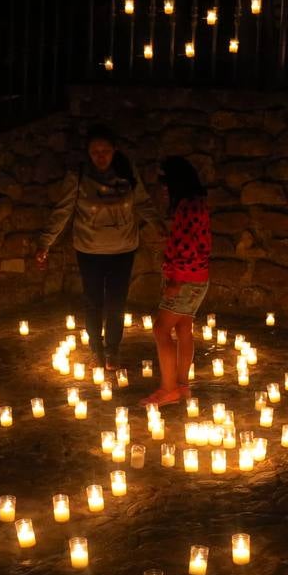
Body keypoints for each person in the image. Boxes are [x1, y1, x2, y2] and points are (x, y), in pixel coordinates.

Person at [35, 125, 161, 371]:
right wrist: (45, 242)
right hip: (90, 250)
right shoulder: (79, 175)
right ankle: (96, 349)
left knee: (116, 302)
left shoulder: (127, 171)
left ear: (114, 150)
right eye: (95, 151)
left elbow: (142, 202)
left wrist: (159, 225)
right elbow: (63, 210)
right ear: (88, 153)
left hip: (122, 250)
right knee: (93, 302)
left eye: (105, 150)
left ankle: (112, 350)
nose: (100, 156)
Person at [140, 156, 210, 407]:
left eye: (166, 183)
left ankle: (169, 389)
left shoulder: (188, 207)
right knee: (183, 328)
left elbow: (189, 248)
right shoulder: (195, 204)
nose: (164, 188)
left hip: (185, 279)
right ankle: (181, 384)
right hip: (197, 278)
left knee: (161, 329)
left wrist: (175, 280)